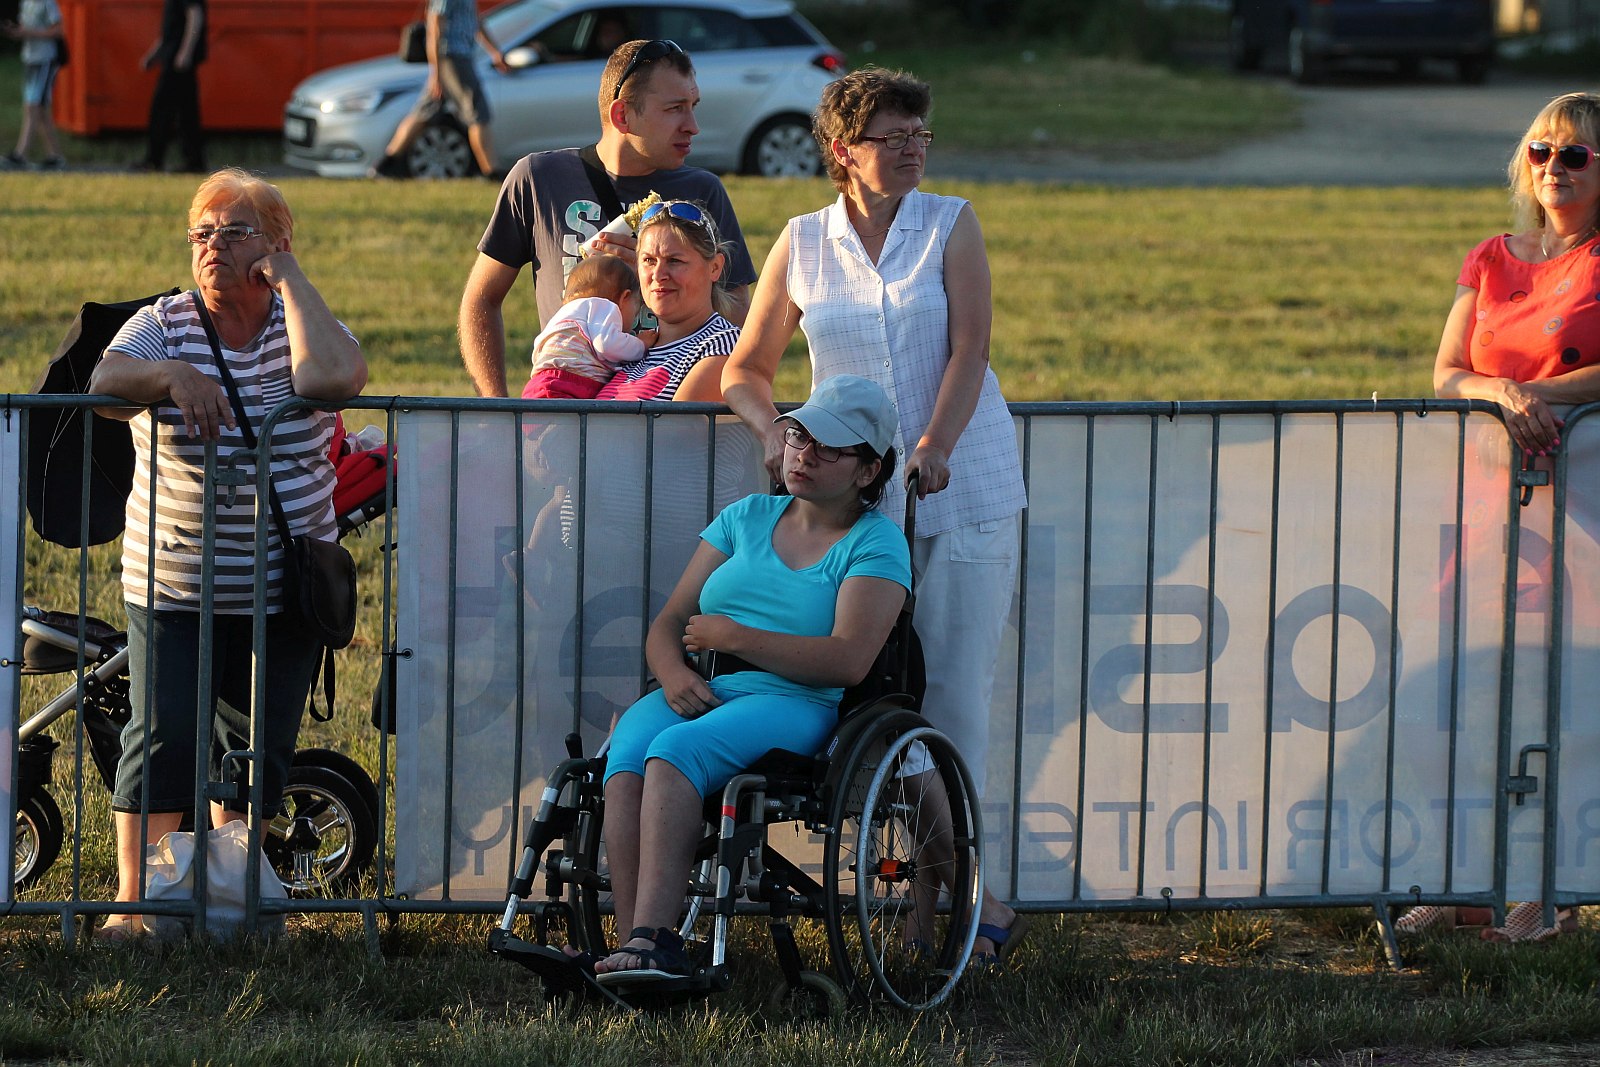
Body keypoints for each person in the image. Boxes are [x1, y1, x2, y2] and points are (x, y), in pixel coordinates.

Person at [721, 66, 1029, 969]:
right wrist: (775, 430)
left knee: (953, 698)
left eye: (919, 135)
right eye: (891, 138)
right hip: (854, 506)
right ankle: (950, 899)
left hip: (959, 488)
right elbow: (747, 368)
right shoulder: (803, 242)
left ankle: (956, 911)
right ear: (841, 152)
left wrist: (934, 441)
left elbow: (971, 344)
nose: (911, 151)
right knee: (878, 697)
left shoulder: (951, 224)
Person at [86, 168, 367, 939]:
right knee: (163, 733)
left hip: (286, 588)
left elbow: (334, 378)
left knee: (258, 746)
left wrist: (290, 279)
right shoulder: (166, 323)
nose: (213, 247)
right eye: (201, 233)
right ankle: (136, 900)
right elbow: (105, 384)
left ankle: (225, 890)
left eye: (234, 231)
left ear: (276, 245)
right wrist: (173, 376)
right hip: (172, 582)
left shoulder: (296, 323)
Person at [591, 374, 911, 982]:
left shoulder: (876, 544)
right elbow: (670, 621)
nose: (804, 454)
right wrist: (672, 672)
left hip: (798, 701)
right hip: (708, 684)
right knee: (627, 755)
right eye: (798, 436)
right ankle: (632, 943)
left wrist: (735, 638)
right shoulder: (745, 517)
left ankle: (657, 939)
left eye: (829, 448)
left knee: (672, 752)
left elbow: (848, 661)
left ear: (868, 472)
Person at [1408, 91, 1600, 945]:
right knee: (1471, 686)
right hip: (1484, 508)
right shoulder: (1489, 256)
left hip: (1583, 508)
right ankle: (1465, 882)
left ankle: (1550, 885)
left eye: (1576, 156)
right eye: (1540, 152)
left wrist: (1540, 395)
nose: (1554, 168)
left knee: (1565, 693)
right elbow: (1448, 370)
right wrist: (1500, 391)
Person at [459, 38, 756, 398]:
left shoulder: (701, 191)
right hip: (563, 403)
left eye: (693, 106)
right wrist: (496, 408)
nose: (693, 125)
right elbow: (482, 299)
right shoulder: (539, 177)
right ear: (622, 115)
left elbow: (738, 317)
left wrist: (650, 271)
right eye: (675, 108)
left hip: (662, 403)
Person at [591, 199, 738, 402]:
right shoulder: (631, 347)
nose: (658, 274)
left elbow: (675, 432)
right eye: (649, 260)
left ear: (714, 267)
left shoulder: (723, 347)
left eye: (675, 261)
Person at [369, 0, 508, 180]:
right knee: (477, 113)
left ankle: (386, 164)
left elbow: (475, 21)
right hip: (451, 57)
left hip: (459, 57)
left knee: (425, 110)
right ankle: (490, 171)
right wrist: (436, 72)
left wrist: (495, 52)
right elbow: (434, 28)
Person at [521, 254, 652, 400]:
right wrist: (641, 345)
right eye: (634, 312)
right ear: (624, 298)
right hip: (570, 384)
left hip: (538, 384)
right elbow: (606, 344)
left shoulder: (564, 313)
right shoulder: (605, 306)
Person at [133, 0, 206, 174]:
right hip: (174, 58)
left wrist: (185, 52)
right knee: (186, 113)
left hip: (177, 62)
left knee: (162, 109)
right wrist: (154, 55)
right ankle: (194, 161)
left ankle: (154, 160)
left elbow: (195, 17)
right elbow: (170, 31)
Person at [2, 0, 66, 170]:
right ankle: (56, 156)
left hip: (45, 60)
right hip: (30, 59)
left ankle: (20, 154)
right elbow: (25, 28)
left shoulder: (47, 3)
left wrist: (29, 32)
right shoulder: (26, 3)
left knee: (33, 106)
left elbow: (58, 30)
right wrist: (15, 31)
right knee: (40, 111)